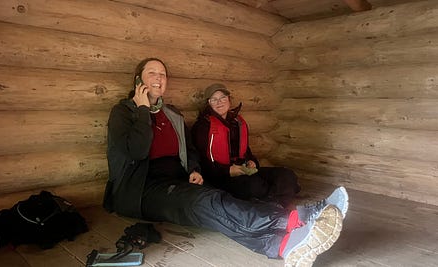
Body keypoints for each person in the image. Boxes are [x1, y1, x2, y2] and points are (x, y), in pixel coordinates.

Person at [102, 57, 348, 266]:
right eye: (151, 73)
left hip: (176, 181)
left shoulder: (172, 114)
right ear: (138, 80)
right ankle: (293, 218)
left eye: (163, 74)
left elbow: (189, 150)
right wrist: (143, 110)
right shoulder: (123, 113)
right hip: (141, 189)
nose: (158, 78)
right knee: (209, 201)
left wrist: (195, 169)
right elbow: (136, 151)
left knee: (217, 205)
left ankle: (281, 244)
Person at [191, 83, 300, 207]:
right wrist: (227, 171)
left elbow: (245, 150)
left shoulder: (237, 123)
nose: (219, 102)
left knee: (286, 175)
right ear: (208, 104)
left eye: (222, 98)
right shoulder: (202, 127)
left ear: (229, 100)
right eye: (214, 99)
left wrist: (252, 161)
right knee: (254, 186)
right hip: (220, 177)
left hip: (243, 170)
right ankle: (276, 205)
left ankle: (278, 205)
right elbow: (200, 160)